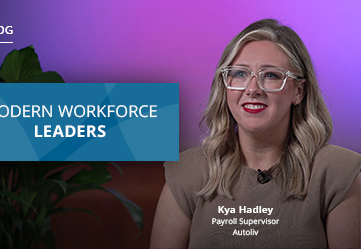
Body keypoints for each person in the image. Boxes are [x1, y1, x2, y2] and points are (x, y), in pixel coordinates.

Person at [150, 19, 360, 249]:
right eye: (240, 73)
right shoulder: (186, 173)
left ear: (299, 92)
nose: (252, 89)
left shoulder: (340, 173)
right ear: (226, 86)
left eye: (270, 75)